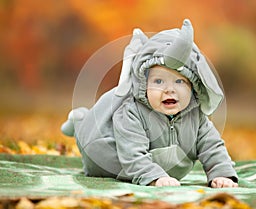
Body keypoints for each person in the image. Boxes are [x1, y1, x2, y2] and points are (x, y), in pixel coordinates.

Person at [61, 19, 238, 188]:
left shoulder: (196, 116)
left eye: (179, 82)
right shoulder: (131, 112)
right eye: (159, 82)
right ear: (144, 85)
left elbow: (212, 146)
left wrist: (221, 173)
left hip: (162, 168)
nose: (169, 90)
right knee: (86, 126)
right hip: (102, 153)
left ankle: (79, 118)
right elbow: (132, 154)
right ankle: (79, 121)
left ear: (193, 87)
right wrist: (155, 177)